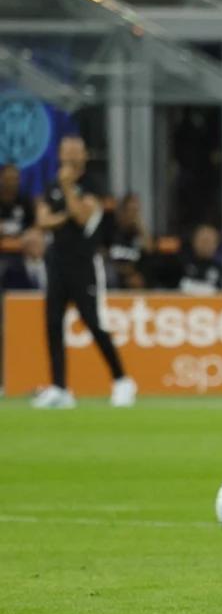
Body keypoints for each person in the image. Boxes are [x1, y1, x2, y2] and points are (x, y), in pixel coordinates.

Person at [32, 136, 136, 410]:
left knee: (93, 322)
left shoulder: (92, 184)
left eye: (75, 152)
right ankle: (59, 387)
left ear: (84, 155)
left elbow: (82, 217)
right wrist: (63, 214)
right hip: (56, 263)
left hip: (83, 264)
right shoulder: (51, 184)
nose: (70, 156)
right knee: (53, 324)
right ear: (60, 154)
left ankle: (122, 380)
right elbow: (42, 220)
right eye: (66, 151)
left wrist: (68, 189)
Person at [106, 193, 152, 289]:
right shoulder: (111, 228)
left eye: (136, 210)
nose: (133, 214)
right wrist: (123, 270)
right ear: (122, 210)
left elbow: (149, 249)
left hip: (132, 275)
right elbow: (102, 254)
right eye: (130, 210)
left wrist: (141, 228)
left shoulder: (137, 231)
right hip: (114, 274)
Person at [179, 224, 222, 295]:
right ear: (194, 242)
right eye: (202, 240)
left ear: (216, 244)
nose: (205, 245)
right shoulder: (180, 266)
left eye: (209, 241)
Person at [2, 226, 46, 291]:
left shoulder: (54, 267)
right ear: (24, 246)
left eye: (38, 243)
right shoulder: (12, 270)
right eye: (32, 244)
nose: (35, 248)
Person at [1, 162, 34, 240]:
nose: (12, 183)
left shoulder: (25, 200)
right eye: (8, 179)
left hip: (21, 242)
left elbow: (32, 224)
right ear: (1, 179)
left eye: (15, 179)